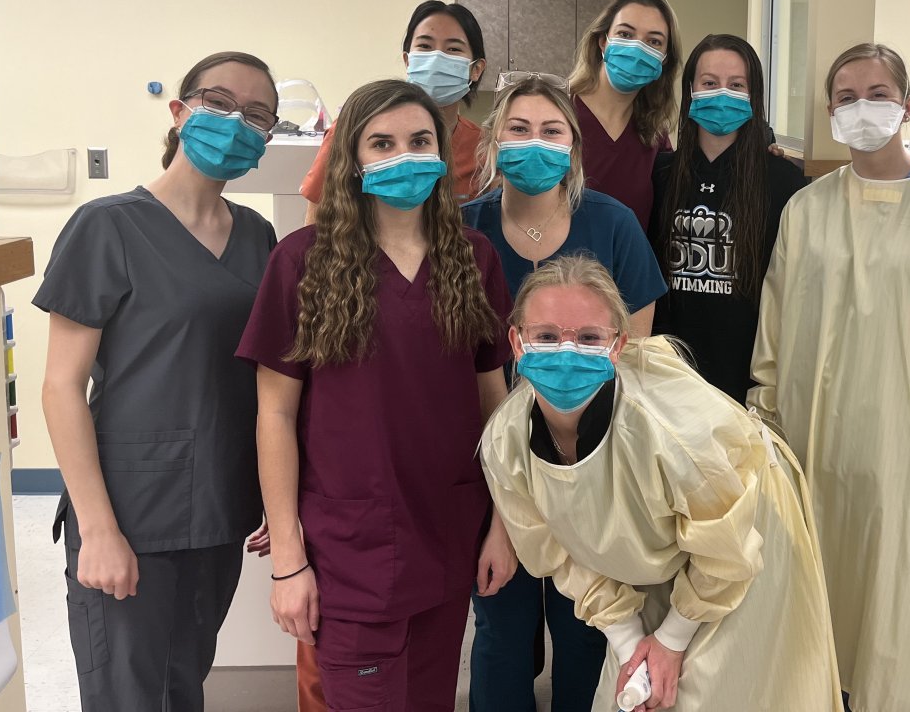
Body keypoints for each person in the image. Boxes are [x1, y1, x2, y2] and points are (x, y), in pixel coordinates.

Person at [238, 79, 516, 711]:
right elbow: (275, 416)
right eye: (381, 143)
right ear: (352, 160)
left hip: (447, 536)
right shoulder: (301, 263)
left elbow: (495, 404)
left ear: (442, 154)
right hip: (351, 548)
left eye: (420, 141)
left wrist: (505, 524)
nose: (403, 156)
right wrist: (288, 559)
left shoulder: (473, 259)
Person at [748, 43, 910, 712]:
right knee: (809, 611)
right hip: (810, 445)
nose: (863, 107)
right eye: (847, 96)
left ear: (907, 106)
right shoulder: (806, 209)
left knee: (893, 622)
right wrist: (764, 435)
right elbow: (774, 330)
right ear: (830, 112)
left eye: (879, 93)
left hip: (903, 451)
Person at [482, 255, 844, 712]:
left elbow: (725, 553)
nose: (566, 353)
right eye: (547, 337)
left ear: (617, 345)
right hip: (657, 547)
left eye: (589, 338)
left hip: (743, 538)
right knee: (634, 690)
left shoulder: (674, 435)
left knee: (719, 691)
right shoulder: (504, 444)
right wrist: (629, 639)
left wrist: (671, 641)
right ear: (517, 342)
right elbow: (560, 554)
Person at [36, 52, 280, 711]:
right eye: (220, 103)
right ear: (179, 113)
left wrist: (272, 495)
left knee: (183, 687)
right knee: (127, 696)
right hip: (127, 512)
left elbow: (267, 383)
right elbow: (61, 388)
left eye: (257, 115)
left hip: (220, 509)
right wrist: (99, 528)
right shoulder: (107, 226)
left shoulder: (260, 238)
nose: (236, 123)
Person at [463, 75, 667, 712]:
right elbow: (470, 367)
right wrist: (503, 501)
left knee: (586, 629)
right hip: (500, 469)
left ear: (574, 148)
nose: (534, 143)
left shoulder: (613, 225)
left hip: (592, 465)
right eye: (518, 129)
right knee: (502, 627)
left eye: (551, 131)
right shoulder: (464, 234)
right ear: (495, 142)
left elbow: (630, 362)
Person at [649, 33, 807, 404]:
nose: (723, 93)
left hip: (749, 383)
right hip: (668, 378)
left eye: (737, 85)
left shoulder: (784, 181)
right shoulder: (659, 176)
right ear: (690, 90)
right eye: (709, 83)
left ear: (754, 96)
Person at [300, 0, 488, 210]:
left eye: (453, 49)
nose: (436, 58)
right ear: (408, 61)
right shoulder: (352, 129)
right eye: (425, 46)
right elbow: (317, 219)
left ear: (476, 68)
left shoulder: (483, 148)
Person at [568, 0, 681, 227]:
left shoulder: (654, 134)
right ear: (602, 41)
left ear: (664, 58)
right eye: (625, 35)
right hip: (559, 265)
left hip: (630, 264)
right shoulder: (558, 113)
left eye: (654, 41)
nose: (638, 48)